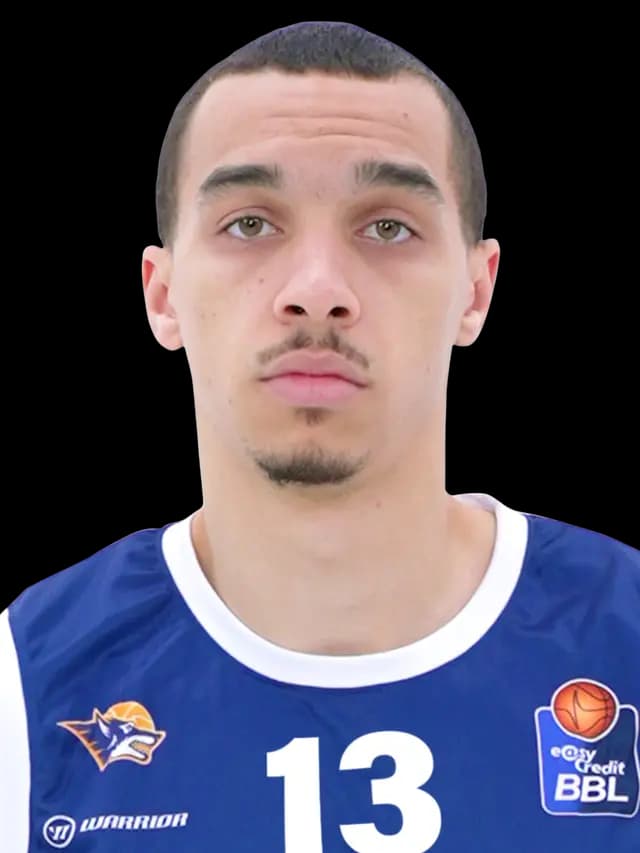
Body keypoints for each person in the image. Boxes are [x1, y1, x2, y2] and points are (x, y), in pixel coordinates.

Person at [1, 20, 638, 853]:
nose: (316, 289)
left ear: (477, 291)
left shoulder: (626, 634)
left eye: (388, 227)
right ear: (162, 295)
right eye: (249, 224)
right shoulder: (27, 680)